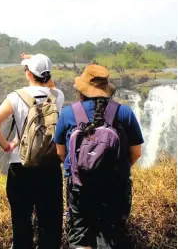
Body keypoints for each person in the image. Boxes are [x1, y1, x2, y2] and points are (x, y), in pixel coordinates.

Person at [54, 64, 143, 249]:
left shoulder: (69, 113)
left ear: (81, 90)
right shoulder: (124, 113)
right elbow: (136, 153)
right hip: (115, 186)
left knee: (80, 238)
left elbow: (60, 152)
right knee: (110, 237)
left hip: (79, 187)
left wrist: (81, 168)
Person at [0, 53, 65, 249]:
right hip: (50, 166)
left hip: (20, 166)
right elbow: (50, 85)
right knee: (50, 224)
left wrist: (6, 145)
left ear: (28, 73)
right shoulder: (58, 96)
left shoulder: (16, 97)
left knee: (21, 223)